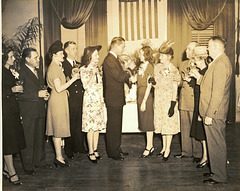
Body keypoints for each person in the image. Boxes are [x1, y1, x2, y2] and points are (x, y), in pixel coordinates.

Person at [192, 36, 232, 184]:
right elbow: (210, 84)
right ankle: (216, 172)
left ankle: (219, 176)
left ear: (215, 47)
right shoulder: (218, 62)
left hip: (214, 113)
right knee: (214, 144)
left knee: (216, 144)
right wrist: (199, 77)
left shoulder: (221, 64)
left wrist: (210, 114)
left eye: (209, 46)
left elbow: (218, 92)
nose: (207, 49)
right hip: (212, 111)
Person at [46, 41, 80, 167]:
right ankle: (59, 158)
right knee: (58, 130)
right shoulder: (54, 68)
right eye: (61, 54)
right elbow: (59, 88)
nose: (63, 56)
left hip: (60, 99)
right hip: (58, 100)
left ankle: (59, 157)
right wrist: (73, 79)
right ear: (54, 55)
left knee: (58, 130)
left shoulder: (56, 66)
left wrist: (70, 76)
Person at [18, 48, 51, 175]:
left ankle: (40, 162)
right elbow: (19, 95)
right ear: (27, 59)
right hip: (28, 112)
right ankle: (28, 165)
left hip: (39, 110)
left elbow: (41, 89)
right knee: (28, 139)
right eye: (36, 57)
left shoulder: (38, 71)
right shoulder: (21, 73)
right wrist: (37, 94)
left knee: (39, 138)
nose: (38, 59)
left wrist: (44, 95)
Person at [102, 37, 134, 160]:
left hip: (116, 99)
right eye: (122, 46)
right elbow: (120, 77)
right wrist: (129, 69)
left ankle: (116, 148)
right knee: (113, 126)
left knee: (117, 125)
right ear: (115, 46)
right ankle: (113, 152)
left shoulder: (114, 59)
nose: (123, 49)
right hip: (113, 99)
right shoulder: (109, 60)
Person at [175, 42, 202, 161]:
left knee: (195, 127)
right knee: (185, 127)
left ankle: (197, 153)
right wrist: (177, 80)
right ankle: (186, 151)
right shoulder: (182, 64)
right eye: (187, 48)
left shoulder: (200, 64)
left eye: (189, 49)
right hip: (184, 99)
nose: (187, 51)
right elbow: (181, 83)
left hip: (194, 100)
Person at [2, 46, 26, 185]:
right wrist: (11, 90)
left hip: (13, 110)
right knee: (8, 142)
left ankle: (5, 168)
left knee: (13, 140)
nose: (13, 59)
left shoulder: (9, 71)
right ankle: (12, 172)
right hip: (5, 112)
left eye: (13, 56)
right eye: (10, 56)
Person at [154, 41, 180, 161]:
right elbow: (157, 83)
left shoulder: (174, 70)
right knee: (162, 125)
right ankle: (163, 148)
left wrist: (173, 103)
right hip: (159, 100)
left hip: (168, 100)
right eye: (160, 55)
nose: (160, 57)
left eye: (163, 56)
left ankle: (168, 149)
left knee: (168, 126)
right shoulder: (157, 67)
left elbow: (175, 87)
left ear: (169, 57)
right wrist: (153, 83)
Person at [80, 45, 106, 163]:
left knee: (97, 128)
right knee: (90, 128)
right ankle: (90, 151)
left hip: (98, 102)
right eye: (95, 55)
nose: (98, 57)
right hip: (89, 103)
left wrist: (102, 99)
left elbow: (100, 87)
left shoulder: (98, 69)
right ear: (89, 56)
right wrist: (93, 74)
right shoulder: (84, 70)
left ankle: (95, 149)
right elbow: (86, 87)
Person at [62, 41, 87, 160]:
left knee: (79, 123)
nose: (75, 51)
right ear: (66, 50)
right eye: (72, 49)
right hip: (70, 98)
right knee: (71, 123)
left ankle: (79, 146)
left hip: (80, 97)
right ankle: (69, 149)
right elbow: (63, 81)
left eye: (76, 49)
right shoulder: (63, 65)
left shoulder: (80, 64)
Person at [189, 46, 209, 168]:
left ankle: (206, 157)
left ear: (201, 59)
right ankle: (205, 156)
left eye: (195, 59)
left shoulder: (206, 71)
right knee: (201, 134)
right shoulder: (200, 71)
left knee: (203, 134)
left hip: (203, 106)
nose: (194, 62)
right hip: (198, 104)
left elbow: (206, 89)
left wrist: (197, 78)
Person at [136, 46, 155, 157]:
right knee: (144, 121)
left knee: (148, 122)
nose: (139, 55)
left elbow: (149, 85)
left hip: (146, 96)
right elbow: (135, 81)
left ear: (146, 54)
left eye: (141, 53)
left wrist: (144, 101)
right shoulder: (141, 66)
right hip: (140, 94)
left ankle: (149, 146)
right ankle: (150, 146)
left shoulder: (150, 67)